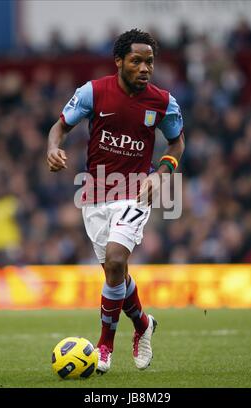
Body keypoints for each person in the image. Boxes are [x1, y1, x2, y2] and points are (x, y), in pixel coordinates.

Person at [47, 28, 185, 374]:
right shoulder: (93, 93)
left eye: (150, 62)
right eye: (137, 61)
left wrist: (161, 173)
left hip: (136, 191)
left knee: (115, 259)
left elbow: (177, 144)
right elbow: (60, 127)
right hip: (94, 195)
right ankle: (143, 325)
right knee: (115, 272)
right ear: (119, 61)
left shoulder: (163, 102)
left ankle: (104, 346)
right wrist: (53, 148)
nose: (145, 68)